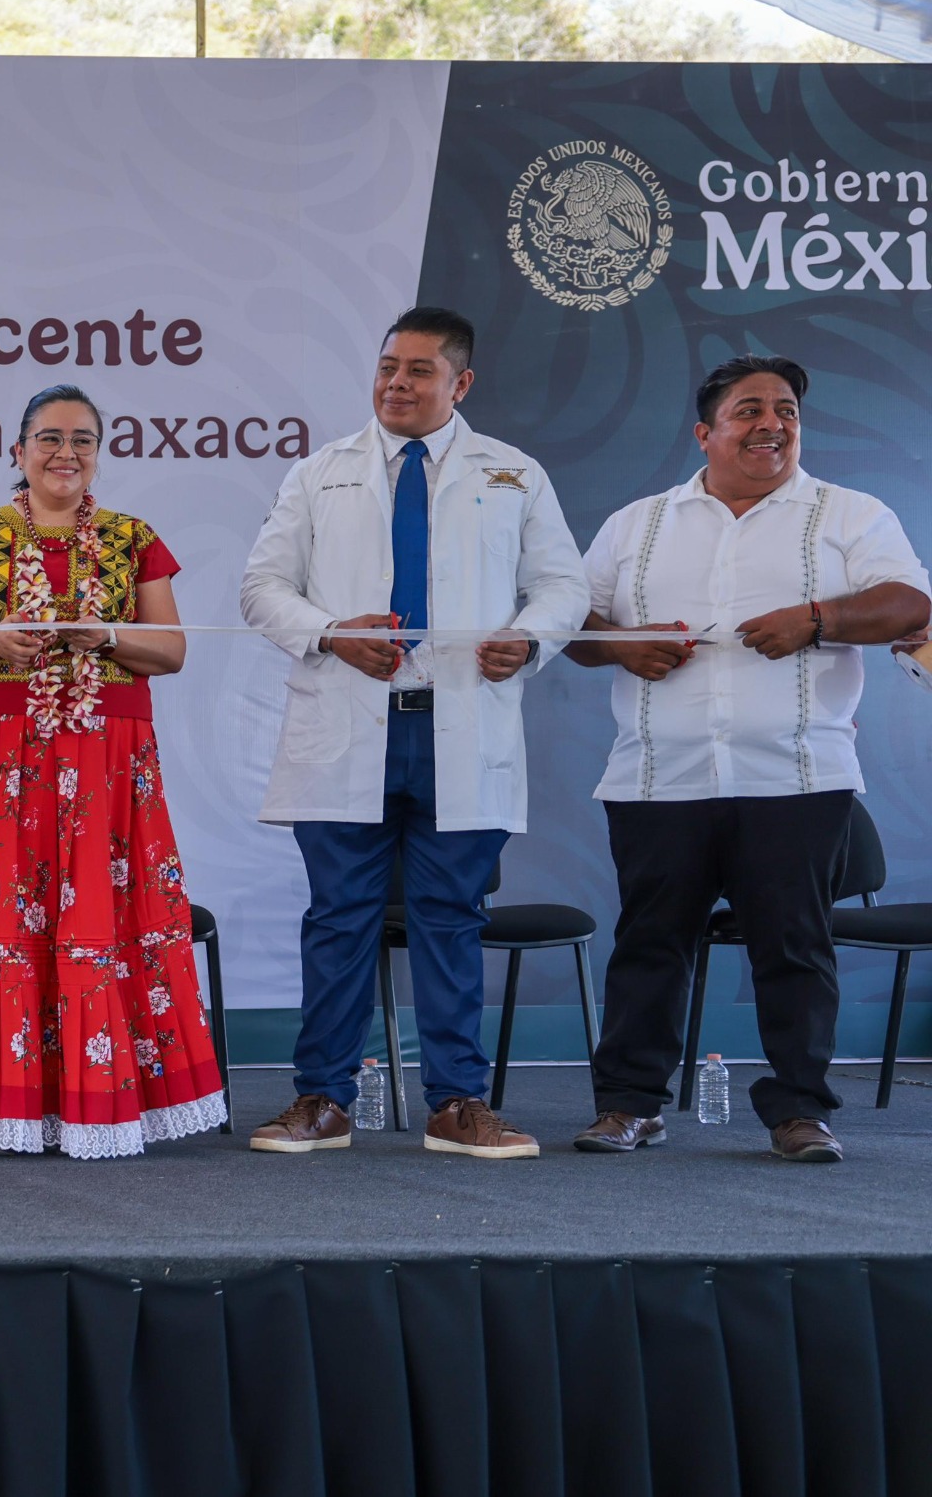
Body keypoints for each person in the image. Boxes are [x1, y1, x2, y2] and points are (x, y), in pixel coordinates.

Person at [238, 306, 588, 1158]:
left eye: (419, 371)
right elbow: (261, 587)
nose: (397, 382)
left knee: (451, 916)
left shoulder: (514, 473)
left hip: (459, 726)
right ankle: (321, 1099)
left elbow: (563, 586)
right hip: (350, 722)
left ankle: (458, 1102)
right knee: (339, 919)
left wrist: (532, 638)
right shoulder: (321, 471)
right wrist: (328, 631)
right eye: (388, 366)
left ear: (460, 383)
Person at [566, 356, 929, 1164]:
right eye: (749, 410)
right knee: (650, 943)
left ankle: (800, 1111)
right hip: (659, 775)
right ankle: (629, 1105)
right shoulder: (638, 523)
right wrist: (622, 644)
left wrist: (817, 616)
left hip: (796, 776)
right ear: (706, 431)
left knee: (795, 948)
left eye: (787, 410)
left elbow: (910, 603)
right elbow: (575, 623)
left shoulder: (848, 514)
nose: (773, 423)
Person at [0, 387, 226, 1156]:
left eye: (82, 439)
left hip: (108, 759)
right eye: (48, 437)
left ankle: (103, 1103)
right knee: (4, 920)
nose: (64, 452)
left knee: (102, 920)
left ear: (98, 454)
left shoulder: (132, 538)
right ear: (18, 451)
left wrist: (106, 636)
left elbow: (170, 650)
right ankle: (4, 1104)